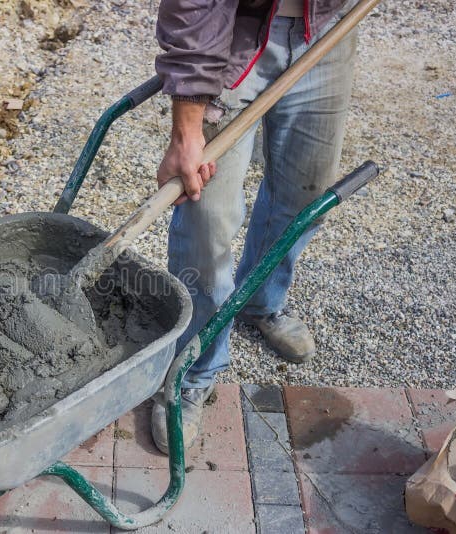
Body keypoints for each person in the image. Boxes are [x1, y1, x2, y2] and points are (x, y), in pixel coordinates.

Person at [151, 0, 359, 454]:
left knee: (305, 199)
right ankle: (191, 366)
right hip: (235, 36)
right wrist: (186, 131)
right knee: (205, 215)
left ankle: (260, 303)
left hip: (326, 30)